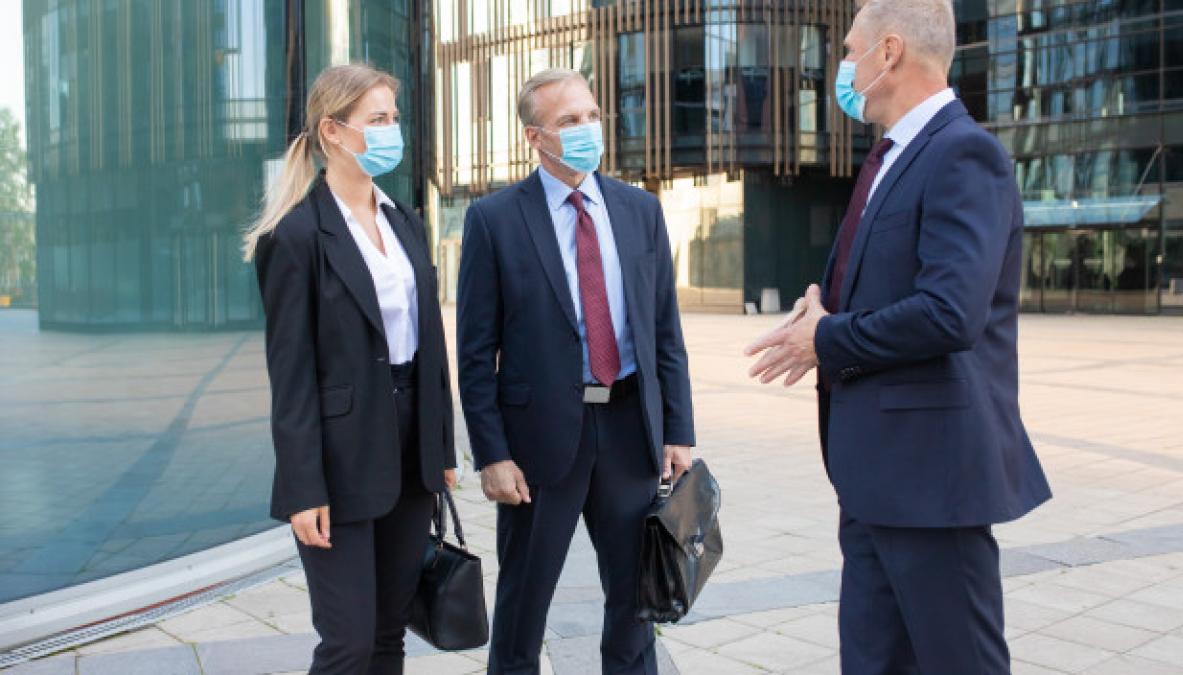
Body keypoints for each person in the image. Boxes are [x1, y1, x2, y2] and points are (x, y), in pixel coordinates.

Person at [744, 0, 1052, 672]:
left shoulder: (963, 153)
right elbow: (890, 288)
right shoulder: (893, 157)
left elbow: (951, 311)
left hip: (932, 482)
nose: (843, 67)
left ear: (889, 52)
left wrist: (826, 341)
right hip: (876, 479)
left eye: (849, 51)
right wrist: (819, 312)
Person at [456, 68, 695, 675]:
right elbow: (476, 353)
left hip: (629, 429)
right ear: (535, 138)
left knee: (635, 607)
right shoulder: (496, 219)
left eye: (592, 116)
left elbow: (665, 329)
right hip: (539, 443)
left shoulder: (640, 210)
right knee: (522, 608)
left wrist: (678, 430)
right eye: (569, 122)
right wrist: (492, 454)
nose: (588, 129)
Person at [244, 63, 457, 675]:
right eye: (377, 119)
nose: (393, 131)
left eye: (394, 117)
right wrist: (303, 487)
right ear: (333, 131)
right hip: (338, 467)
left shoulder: (406, 221)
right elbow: (291, 377)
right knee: (347, 643)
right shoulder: (297, 236)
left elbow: (430, 348)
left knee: (390, 634)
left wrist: (441, 445)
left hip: (411, 455)